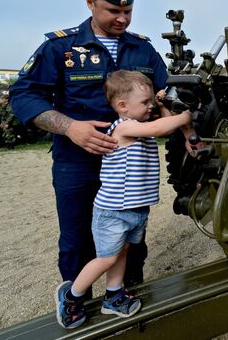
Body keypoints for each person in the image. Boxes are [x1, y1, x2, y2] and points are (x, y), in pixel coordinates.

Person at [10, 0, 170, 289]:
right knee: (77, 237)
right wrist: (70, 127)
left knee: (130, 236)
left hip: (130, 164)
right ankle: (75, 302)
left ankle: (126, 293)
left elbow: (167, 93)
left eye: (127, 11)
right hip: (78, 161)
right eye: (113, 11)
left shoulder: (143, 51)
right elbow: (24, 95)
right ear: (89, 3)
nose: (122, 18)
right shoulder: (60, 48)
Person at [55, 70, 194, 328]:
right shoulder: (125, 127)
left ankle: (113, 294)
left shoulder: (140, 126)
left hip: (134, 208)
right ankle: (71, 297)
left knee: (122, 253)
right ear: (122, 106)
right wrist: (184, 116)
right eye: (145, 102)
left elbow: (161, 129)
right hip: (114, 211)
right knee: (106, 257)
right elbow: (160, 127)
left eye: (151, 101)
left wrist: (163, 105)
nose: (150, 105)